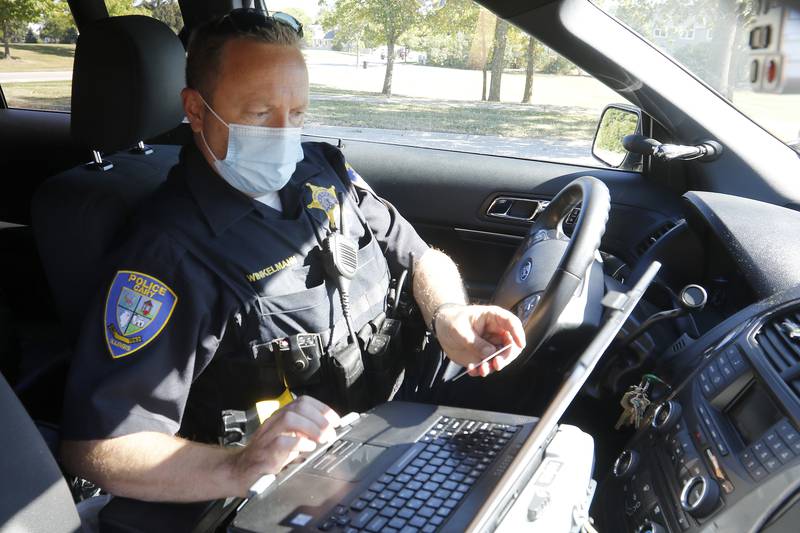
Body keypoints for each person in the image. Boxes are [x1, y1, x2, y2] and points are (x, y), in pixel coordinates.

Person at [59, 9, 526, 503]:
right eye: (260, 114)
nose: (285, 135)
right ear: (195, 110)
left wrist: (450, 312)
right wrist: (239, 466)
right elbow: (99, 447)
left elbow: (420, 257)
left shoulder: (324, 172)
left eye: (297, 114)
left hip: (395, 439)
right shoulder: (168, 255)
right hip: (286, 496)